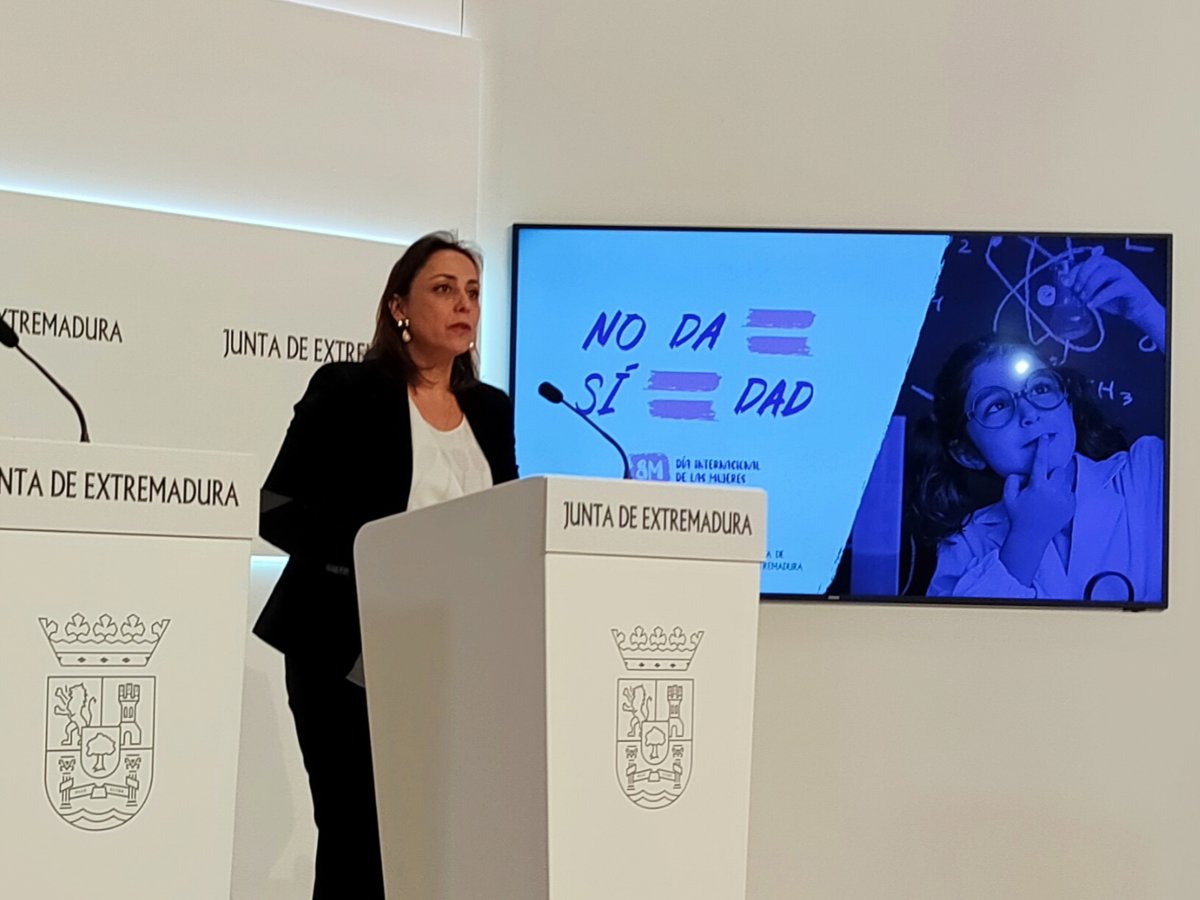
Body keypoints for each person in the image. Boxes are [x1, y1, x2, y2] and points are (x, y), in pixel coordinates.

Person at [253, 232, 518, 898]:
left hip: (451, 655)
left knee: (437, 837)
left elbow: (509, 521)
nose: (464, 304)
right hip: (346, 647)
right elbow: (278, 507)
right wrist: (375, 560)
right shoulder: (349, 389)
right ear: (399, 305)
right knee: (358, 834)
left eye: (473, 292)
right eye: (443, 289)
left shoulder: (490, 409)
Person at [913, 254, 1166, 602]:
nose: (1029, 412)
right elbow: (959, 634)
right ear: (967, 452)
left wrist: (1149, 313)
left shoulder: (1145, 474)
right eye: (997, 405)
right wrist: (1026, 539)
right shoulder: (967, 544)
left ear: (1068, 403)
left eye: (1041, 388)